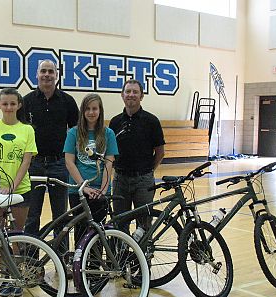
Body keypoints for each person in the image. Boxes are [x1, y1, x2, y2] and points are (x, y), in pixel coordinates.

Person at [0, 88, 37, 297]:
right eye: (5, 104)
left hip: (20, 189)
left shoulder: (27, 130)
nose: (9, 107)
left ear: (19, 105)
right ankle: (4, 278)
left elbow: (26, 160)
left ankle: (16, 277)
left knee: (17, 236)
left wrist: (12, 187)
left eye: (13, 103)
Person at [20, 59, 79, 237]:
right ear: (37, 75)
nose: (47, 74)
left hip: (59, 164)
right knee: (32, 215)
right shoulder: (26, 102)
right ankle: (31, 260)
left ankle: (60, 257)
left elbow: (76, 131)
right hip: (34, 165)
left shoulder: (67, 101)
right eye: (43, 71)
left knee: (60, 215)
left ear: (56, 75)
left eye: (50, 71)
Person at [110, 79, 166, 231]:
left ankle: (144, 255)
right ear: (122, 95)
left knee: (144, 225)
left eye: (135, 92)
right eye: (128, 91)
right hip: (120, 181)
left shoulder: (152, 121)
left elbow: (160, 152)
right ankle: (122, 255)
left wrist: (147, 171)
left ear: (141, 96)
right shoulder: (115, 122)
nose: (131, 95)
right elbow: (110, 153)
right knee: (120, 224)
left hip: (143, 182)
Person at [63, 93, 118, 240]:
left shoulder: (108, 133)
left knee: (98, 235)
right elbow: (69, 162)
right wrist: (83, 187)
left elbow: (109, 162)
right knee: (81, 233)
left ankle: (94, 264)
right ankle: (80, 263)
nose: (91, 112)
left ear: (100, 111)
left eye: (94, 108)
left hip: (100, 190)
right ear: (82, 111)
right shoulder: (73, 133)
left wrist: (103, 191)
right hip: (78, 191)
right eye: (87, 109)